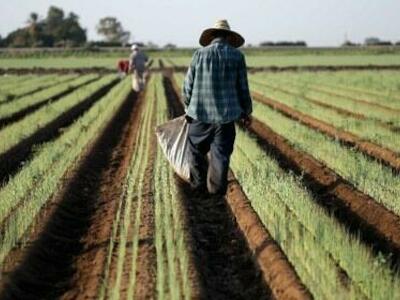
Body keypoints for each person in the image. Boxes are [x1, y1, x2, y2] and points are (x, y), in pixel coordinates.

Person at [182, 19, 252, 196]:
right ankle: (216, 191)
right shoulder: (237, 56)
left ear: (212, 36)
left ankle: (198, 187)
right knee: (220, 154)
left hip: (199, 113)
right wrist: (246, 111)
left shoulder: (199, 54)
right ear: (228, 37)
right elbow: (242, 87)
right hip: (226, 117)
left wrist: (188, 106)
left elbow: (188, 85)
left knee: (195, 151)